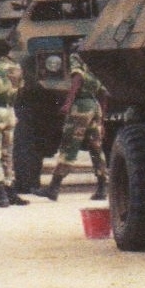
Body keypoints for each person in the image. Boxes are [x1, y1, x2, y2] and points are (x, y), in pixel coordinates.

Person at [45, 55, 108, 202]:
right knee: (96, 148)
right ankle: (102, 188)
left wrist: (68, 103)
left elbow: (77, 79)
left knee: (69, 146)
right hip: (95, 106)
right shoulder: (95, 61)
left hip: (81, 106)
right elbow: (104, 93)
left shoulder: (76, 56)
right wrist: (102, 122)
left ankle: (53, 188)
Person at [0, 38, 22, 207]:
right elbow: (20, 89)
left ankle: (1, 194)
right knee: (8, 153)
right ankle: (11, 190)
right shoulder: (16, 67)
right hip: (10, 111)